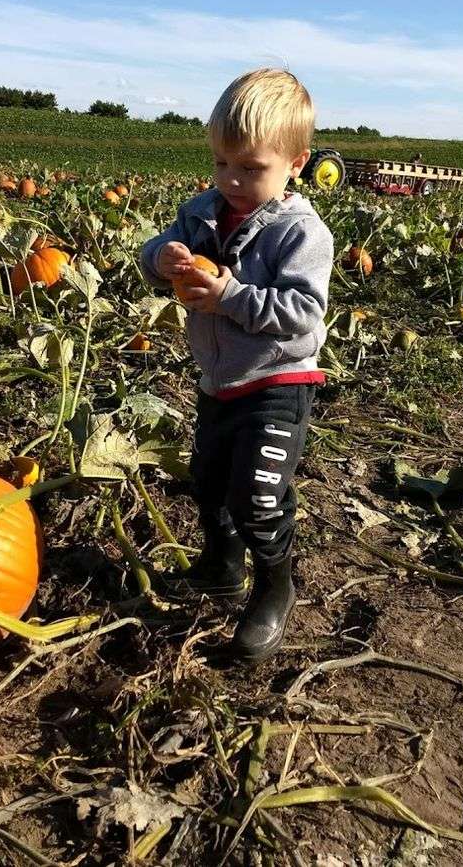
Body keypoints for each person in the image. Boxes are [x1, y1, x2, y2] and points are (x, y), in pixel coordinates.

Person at [139, 68, 334, 663]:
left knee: (257, 496)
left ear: (296, 164)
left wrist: (228, 295)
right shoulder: (202, 212)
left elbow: (302, 313)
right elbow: (153, 255)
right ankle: (223, 569)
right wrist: (164, 258)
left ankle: (275, 586)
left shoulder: (301, 233)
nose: (231, 180)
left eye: (251, 168)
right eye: (222, 163)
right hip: (219, 380)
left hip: (278, 381)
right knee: (209, 482)